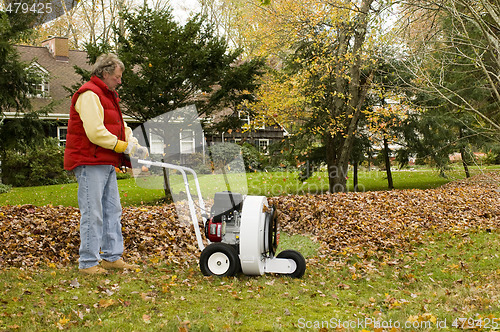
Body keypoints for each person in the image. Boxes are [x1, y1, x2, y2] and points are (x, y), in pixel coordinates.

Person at [64, 53, 148, 275]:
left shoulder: (109, 96)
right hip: (89, 160)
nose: (120, 81)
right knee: (93, 212)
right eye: (117, 77)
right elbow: (95, 133)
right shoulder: (89, 94)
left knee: (112, 210)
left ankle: (111, 257)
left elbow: (121, 127)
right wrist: (123, 147)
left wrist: (135, 145)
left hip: (105, 160)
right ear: (106, 73)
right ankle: (88, 262)